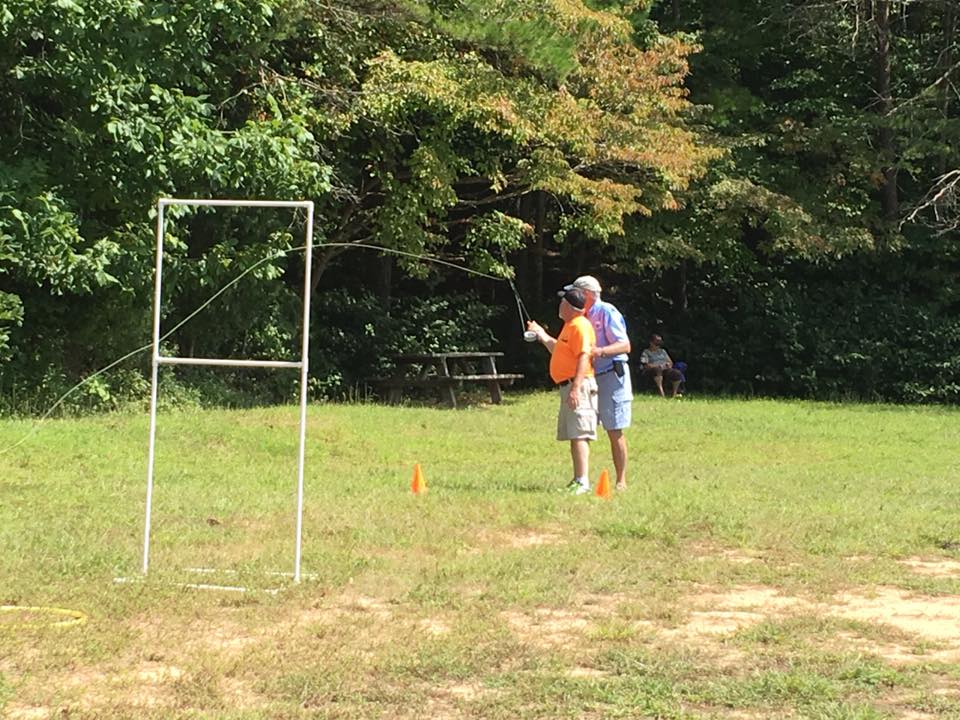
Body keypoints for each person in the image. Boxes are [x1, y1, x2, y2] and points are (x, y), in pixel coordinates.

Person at [561, 275, 632, 491]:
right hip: (590, 378)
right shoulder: (579, 316)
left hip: (612, 375)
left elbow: (625, 345)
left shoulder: (607, 312)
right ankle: (581, 479)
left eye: (576, 292)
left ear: (589, 295)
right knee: (582, 428)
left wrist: (599, 351)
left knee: (614, 429)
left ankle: (621, 480)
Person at [526, 288, 598, 495]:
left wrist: (575, 389)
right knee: (575, 435)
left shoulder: (580, 326)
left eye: (562, 302)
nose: (559, 305)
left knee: (579, 435)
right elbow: (558, 349)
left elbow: (584, 357)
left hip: (579, 386)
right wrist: (541, 334)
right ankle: (577, 479)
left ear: (569, 306)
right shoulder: (569, 326)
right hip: (570, 386)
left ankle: (582, 482)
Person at [640, 333, 683, 398]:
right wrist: (657, 366)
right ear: (651, 343)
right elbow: (645, 364)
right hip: (653, 370)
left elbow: (670, 362)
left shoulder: (663, 351)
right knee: (657, 370)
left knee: (677, 373)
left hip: (665, 369)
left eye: (659, 344)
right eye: (656, 344)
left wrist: (668, 365)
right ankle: (661, 393)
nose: (658, 346)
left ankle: (674, 393)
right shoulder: (646, 352)